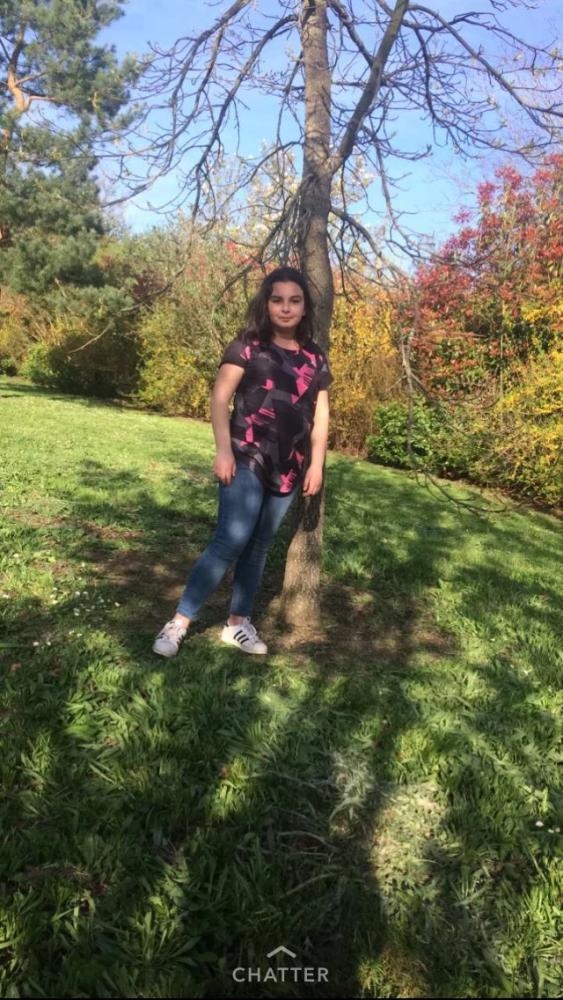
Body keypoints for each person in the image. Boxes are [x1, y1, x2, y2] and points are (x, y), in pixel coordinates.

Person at [153, 266, 332, 658]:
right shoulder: (247, 346)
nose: (286, 307)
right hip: (245, 455)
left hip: (289, 465)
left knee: (260, 545)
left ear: (305, 307)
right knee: (231, 539)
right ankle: (179, 622)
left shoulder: (315, 357)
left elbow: (321, 415)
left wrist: (316, 464)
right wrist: (223, 450)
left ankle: (237, 624)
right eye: (277, 300)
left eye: (294, 300)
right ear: (266, 304)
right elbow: (220, 398)